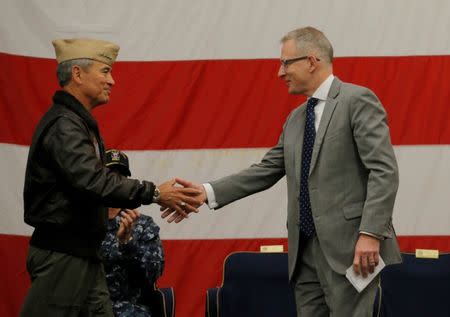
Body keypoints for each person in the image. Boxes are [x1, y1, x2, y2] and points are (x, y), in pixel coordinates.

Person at [163, 27, 401, 316]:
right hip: (304, 256)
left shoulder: (357, 100)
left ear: (312, 61)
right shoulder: (296, 118)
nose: (280, 72)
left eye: (286, 63)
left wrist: (370, 234)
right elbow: (266, 170)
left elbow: (384, 171)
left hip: (351, 250)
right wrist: (205, 192)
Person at [20, 38, 200, 316]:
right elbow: (92, 181)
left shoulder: (77, 124)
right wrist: (154, 193)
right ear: (77, 74)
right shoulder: (65, 125)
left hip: (83, 254)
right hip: (64, 254)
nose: (112, 80)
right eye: (105, 71)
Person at [100, 149, 164, 317]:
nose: (115, 181)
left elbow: (152, 275)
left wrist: (128, 245)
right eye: (109, 175)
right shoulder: (83, 222)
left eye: (121, 177)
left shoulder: (143, 224)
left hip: (130, 309)